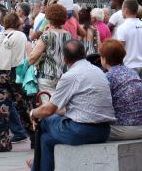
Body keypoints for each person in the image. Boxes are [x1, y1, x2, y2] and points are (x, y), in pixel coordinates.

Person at [30, 40, 116, 171]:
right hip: (103, 131)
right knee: (46, 139)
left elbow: (48, 110)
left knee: (45, 122)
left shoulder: (70, 76)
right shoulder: (98, 71)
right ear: (85, 53)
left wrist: (33, 114)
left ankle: (36, 166)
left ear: (64, 59)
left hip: (81, 131)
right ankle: (37, 167)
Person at [0, 12, 33, 152]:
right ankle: (35, 137)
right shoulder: (21, 36)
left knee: (2, 108)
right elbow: (27, 53)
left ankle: (2, 143)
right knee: (24, 107)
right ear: (17, 24)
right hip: (16, 72)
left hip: (0, 72)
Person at [100, 39, 142, 140]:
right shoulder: (133, 72)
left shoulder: (107, 76)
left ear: (104, 59)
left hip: (124, 130)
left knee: (91, 129)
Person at [28, 3, 72, 95]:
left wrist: (26, 65)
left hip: (47, 76)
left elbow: (34, 56)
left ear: (49, 18)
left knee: (47, 106)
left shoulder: (47, 35)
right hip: (64, 76)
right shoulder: (68, 35)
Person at [114, 0, 142, 80]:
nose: (121, 12)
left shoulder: (122, 28)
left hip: (128, 66)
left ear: (126, 10)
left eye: (122, 9)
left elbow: (120, 50)